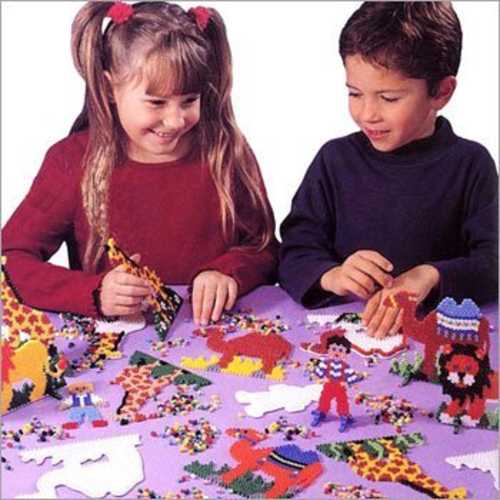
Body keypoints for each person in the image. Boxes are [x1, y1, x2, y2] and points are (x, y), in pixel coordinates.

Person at [2, 1, 278, 326]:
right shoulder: (72, 161)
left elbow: (265, 249)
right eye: (156, 102)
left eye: (189, 100)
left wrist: (226, 272)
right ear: (109, 88)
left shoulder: (226, 154)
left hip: (215, 337)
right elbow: (11, 259)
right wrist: (94, 292)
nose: (175, 120)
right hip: (115, 346)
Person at [279, 1, 498, 338]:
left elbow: (493, 263)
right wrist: (332, 275)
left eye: (389, 98)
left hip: (438, 341)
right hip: (344, 339)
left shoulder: (472, 165)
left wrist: (430, 275)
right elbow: (294, 250)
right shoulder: (334, 160)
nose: (368, 114)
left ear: (441, 92)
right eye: (355, 93)